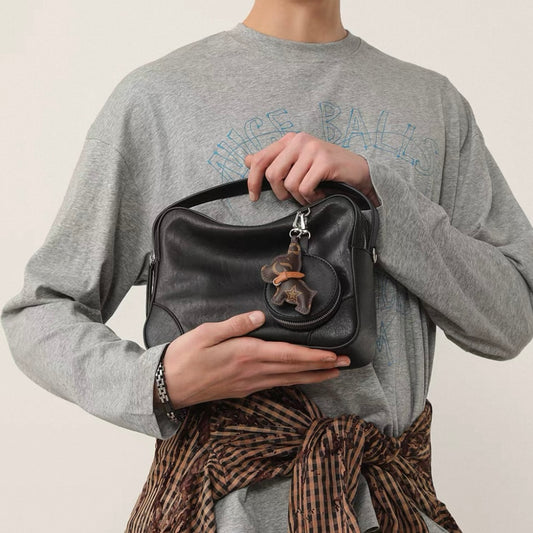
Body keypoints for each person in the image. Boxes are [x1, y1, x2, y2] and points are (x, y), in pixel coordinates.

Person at [2, 0, 533, 531]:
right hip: (218, 510)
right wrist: (158, 381)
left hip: (392, 504)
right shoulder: (155, 100)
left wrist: (379, 196)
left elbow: (512, 319)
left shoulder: (433, 103)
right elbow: (40, 311)